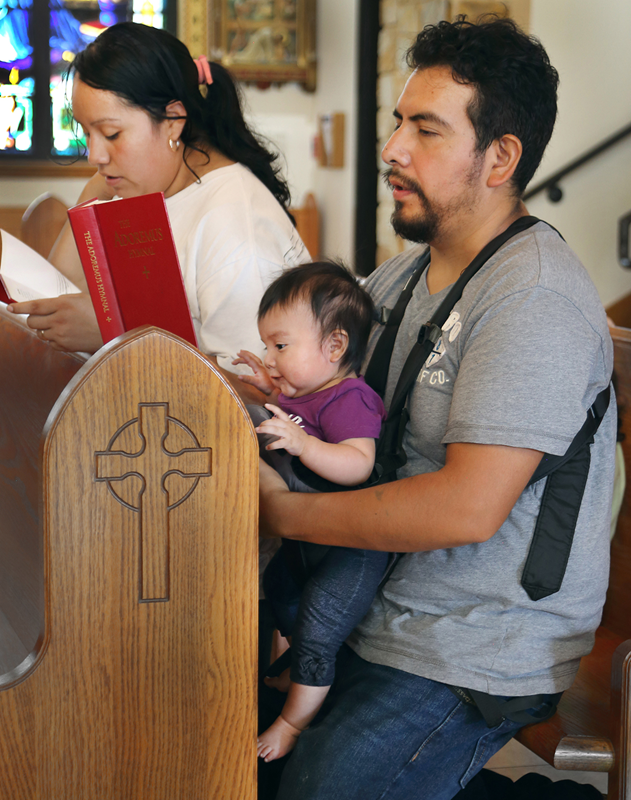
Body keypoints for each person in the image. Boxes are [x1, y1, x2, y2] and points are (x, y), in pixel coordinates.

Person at [257, 16, 616, 800]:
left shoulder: (532, 298)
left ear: (500, 158)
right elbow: (333, 407)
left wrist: (283, 515)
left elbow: (464, 508)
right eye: (397, 123)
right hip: (380, 606)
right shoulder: (395, 281)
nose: (391, 149)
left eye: (425, 129)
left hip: (478, 639)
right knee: (216, 729)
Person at [6, 22, 309, 379]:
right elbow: (57, 298)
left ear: (173, 121)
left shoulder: (233, 223)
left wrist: (116, 335)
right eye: (88, 133)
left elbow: (260, 393)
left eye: (111, 133)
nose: (95, 155)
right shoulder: (144, 187)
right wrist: (92, 195)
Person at [233, 261, 388, 762]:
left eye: (280, 346)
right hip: (307, 544)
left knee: (319, 628)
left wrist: (302, 444)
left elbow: (357, 465)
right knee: (279, 591)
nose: (269, 355)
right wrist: (269, 386)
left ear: (335, 347)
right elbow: (291, 411)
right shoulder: (308, 392)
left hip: (348, 553)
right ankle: (303, 667)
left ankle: (294, 722)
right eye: (266, 347)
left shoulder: (351, 398)